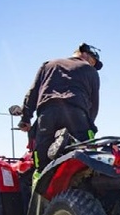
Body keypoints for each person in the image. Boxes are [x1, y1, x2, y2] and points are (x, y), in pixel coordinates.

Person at [18, 43, 103, 172]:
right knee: (84, 157)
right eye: (92, 60)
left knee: (42, 158)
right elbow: (94, 103)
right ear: (83, 52)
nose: (92, 64)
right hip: (77, 114)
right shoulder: (90, 71)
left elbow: (32, 93)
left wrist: (25, 118)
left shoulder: (48, 65)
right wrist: (89, 124)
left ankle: (42, 184)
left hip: (47, 114)